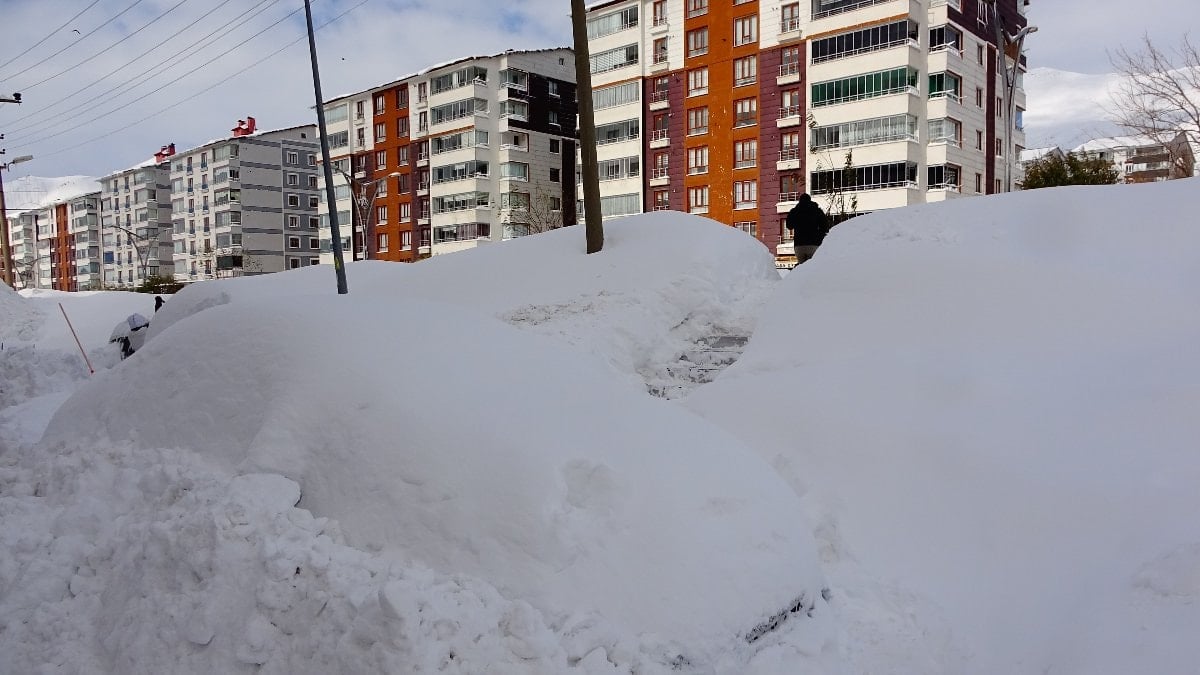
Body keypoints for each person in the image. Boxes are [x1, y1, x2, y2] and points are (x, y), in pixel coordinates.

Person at [785, 193, 830, 265]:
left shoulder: (794, 211)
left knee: (802, 269)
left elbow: (789, 226)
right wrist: (819, 236)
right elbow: (825, 227)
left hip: (799, 245)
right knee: (813, 268)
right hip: (814, 244)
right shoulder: (817, 211)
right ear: (810, 200)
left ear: (800, 201)